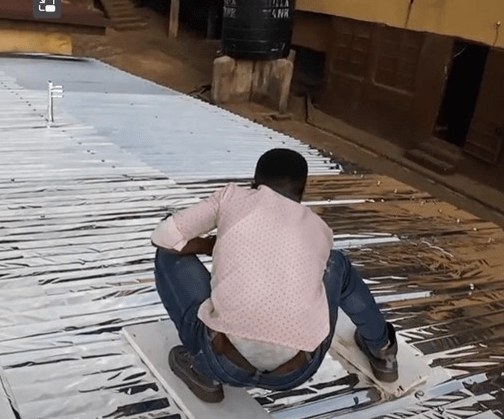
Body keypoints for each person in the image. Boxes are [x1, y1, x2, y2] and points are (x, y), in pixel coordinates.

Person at [151, 148, 398, 403]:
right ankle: (383, 351)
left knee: (168, 253)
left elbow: (162, 237)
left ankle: (204, 373)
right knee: (337, 264)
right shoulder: (320, 229)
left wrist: (210, 244)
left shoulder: (232, 197)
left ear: (254, 184)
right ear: (301, 193)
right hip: (297, 372)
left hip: (221, 362)